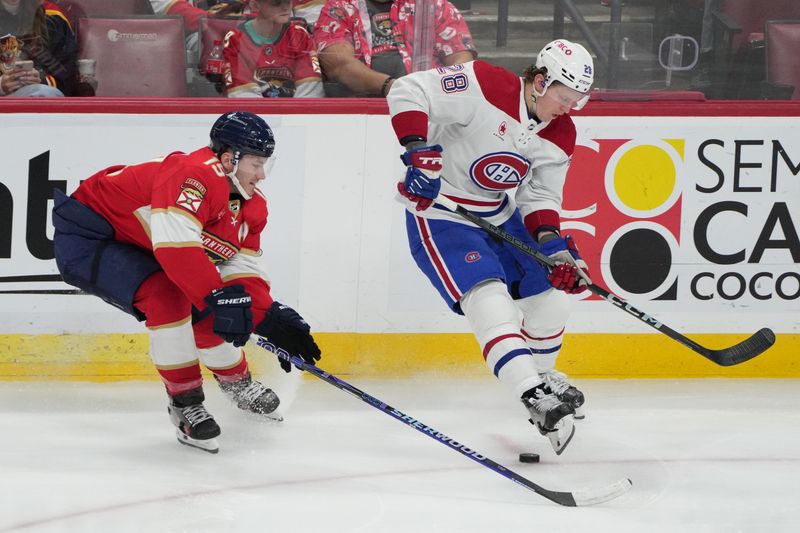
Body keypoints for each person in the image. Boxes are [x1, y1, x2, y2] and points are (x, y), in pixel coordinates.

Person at [52, 112, 322, 454]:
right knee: (169, 298)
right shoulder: (192, 176)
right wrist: (221, 299)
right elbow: (177, 250)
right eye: (255, 164)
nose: (262, 174)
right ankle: (184, 404)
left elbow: (239, 263)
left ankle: (238, 385)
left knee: (212, 306)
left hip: (143, 243)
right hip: (91, 236)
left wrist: (266, 314)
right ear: (228, 159)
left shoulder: (252, 206)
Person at [386, 39, 594, 455]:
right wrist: (416, 151)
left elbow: (540, 196)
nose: (569, 107)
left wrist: (555, 248)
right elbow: (407, 90)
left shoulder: (562, 131)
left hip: (498, 216)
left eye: (578, 100)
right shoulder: (485, 83)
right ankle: (532, 396)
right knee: (490, 299)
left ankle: (541, 375)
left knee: (550, 298)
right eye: (564, 97)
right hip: (440, 212)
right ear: (539, 82)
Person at [313, 0, 476, 97]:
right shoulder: (337, 8)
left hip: (429, 105)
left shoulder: (434, 5)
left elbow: (462, 62)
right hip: (364, 112)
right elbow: (339, 65)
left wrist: (439, 90)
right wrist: (392, 87)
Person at [223, 0, 323, 98]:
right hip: (254, 112)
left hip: (294, 112)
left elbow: (310, 92)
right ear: (255, 5)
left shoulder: (300, 35)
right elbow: (242, 94)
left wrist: (292, 113)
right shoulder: (236, 38)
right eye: (276, 3)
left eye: (288, 2)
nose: (285, 7)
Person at [0, 0, 76, 97]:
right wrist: (1, 85)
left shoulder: (53, 17)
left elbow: (69, 79)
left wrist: (41, 80)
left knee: (43, 92)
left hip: (40, 99)